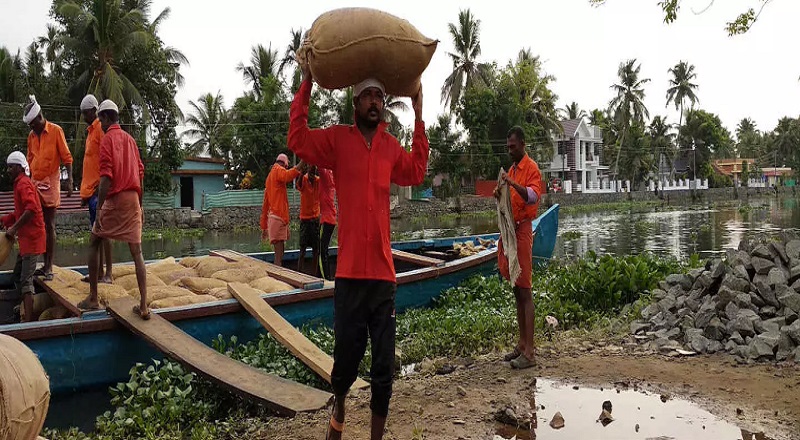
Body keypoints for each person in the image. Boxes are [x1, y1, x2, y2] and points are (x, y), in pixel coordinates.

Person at [289, 61, 428, 440]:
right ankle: (340, 406)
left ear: (384, 105)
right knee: (344, 368)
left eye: (379, 96)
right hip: (349, 274)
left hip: (383, 276)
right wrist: (306, 85)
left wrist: (418, 114)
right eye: (367, 95)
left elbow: (416, 170)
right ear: (355, 103)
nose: (374, 102)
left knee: (384, 371)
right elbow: (298, 139)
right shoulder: (337, 141)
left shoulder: (389, 148)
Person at [78, 100, 148, 319]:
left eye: (101, 119)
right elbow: (140, 174)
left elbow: (106, 177)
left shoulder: (108, 139)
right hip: (133, 198)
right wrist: (141, 205)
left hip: (116, 198)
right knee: (137, 253)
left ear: (107, 118)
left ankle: (93, 298)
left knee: (94, 241)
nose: (101, 123)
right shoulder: (130, 140)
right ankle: (144, 306)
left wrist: (99, 209)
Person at [493, 126, 543, 370]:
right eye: (508, 146)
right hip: (511, 231)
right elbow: (509, 198)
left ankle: (530, 352)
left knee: (525, 290)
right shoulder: (512, 169)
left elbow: (532, 197)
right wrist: (501, 191)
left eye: (513, 146)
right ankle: (522, 344)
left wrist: (513, 184)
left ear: (522, 144)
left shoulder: (530, 168)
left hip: (522, 231)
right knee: (516, 286)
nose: (510, 150)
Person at [23, 95, 73, 281]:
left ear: (39, 118)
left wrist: (69, 180)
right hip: (35, 182)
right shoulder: (31, 136)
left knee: (50, 224)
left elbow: (67, 157)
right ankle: (40, 264)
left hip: (51, 183)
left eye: (33, 124)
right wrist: (28, 182)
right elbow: (29, 159)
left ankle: (49, 266)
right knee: (38, 224)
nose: (32, 128)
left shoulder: (55, 131)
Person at [1, 152, 46, 322]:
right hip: (26, 240)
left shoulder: (24, 185)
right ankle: (21, 309)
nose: (8, 170)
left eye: (11, 167)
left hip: (33, 239)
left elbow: (31, 209)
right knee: (16, 276)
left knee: (26, 281)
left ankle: (28, 321)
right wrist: (6, 220)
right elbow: (21, 211)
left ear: (19, 168)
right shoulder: (19, 184)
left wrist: (13, 229)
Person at [79, 94, 113, 284]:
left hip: (99, 190)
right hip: (91, 191)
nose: (84, 116)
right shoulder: (91, 131)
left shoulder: (100, 129)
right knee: (96, 233)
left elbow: (106, 159)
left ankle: (108, 273)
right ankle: (98, 272)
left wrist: (102, 186)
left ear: (93, 111)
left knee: (104, 231)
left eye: (85, 113)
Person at [260, 153, 302, 267]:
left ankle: (277, 276)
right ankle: (277, 278)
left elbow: (265, 205)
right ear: (285, 164)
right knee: (279, 256)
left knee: (280, 252)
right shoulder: (277, 170)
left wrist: (264, 227)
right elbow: (287, 176)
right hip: (278, 218)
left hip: (273, 219)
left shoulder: (269, 178)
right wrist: (301, 163)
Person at [296, 165, 321, 275]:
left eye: (313, 172)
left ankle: (314, 274)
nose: (311, 175)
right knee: (302, 249)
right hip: (305, 220)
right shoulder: (304, 179)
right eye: (310, 172)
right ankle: (299, 273)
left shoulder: (318, 181)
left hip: (315, 219)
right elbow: (299, 185)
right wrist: (301, 173)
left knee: (316, 250)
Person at [318, 167, 337, 281]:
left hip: (326, 219)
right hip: (330, 219)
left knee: (322, 250)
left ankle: (325, 277)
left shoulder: (326, 179)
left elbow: (320, 166)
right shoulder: (332, 179)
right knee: (324, 249)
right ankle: (326, 275)